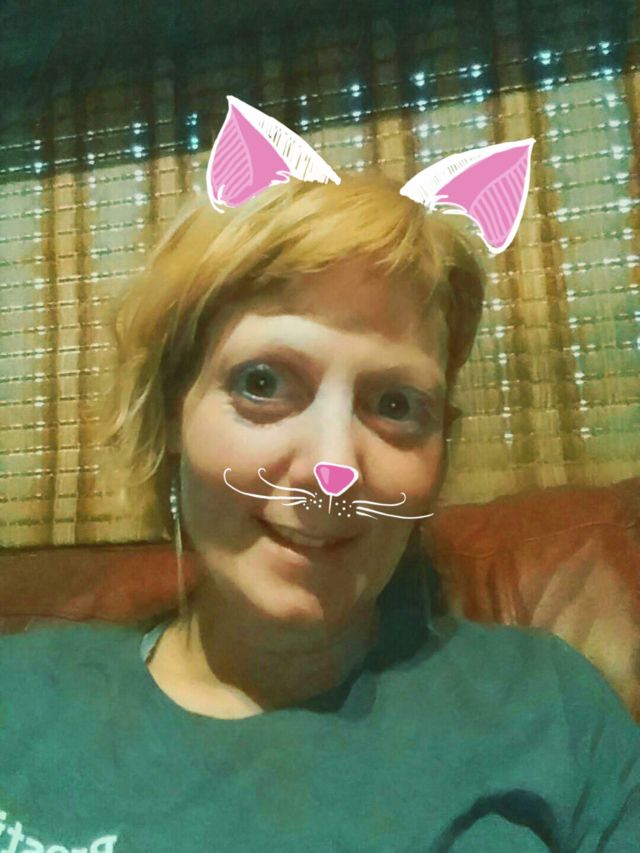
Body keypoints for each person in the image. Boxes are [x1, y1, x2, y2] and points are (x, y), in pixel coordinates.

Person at [1, 173, 638, 852]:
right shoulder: (20, 694)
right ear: (170, 412)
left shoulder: (549, 711)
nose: (335, 469)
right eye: (263, 383)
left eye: (395, 404)